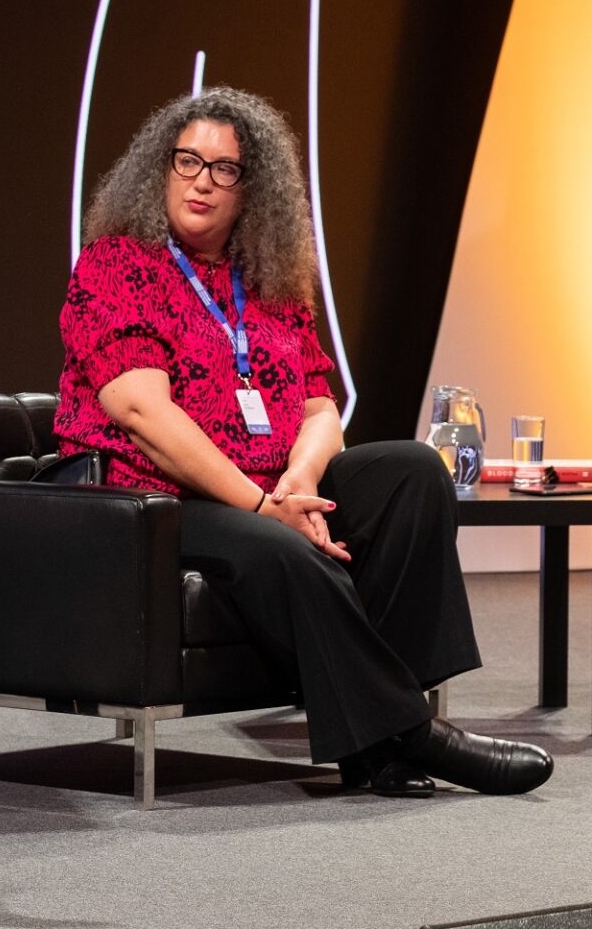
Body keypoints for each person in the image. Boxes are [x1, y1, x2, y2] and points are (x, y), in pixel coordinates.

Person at [55, 86, 552, 797]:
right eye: (187, 160)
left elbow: (321, 404)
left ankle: (377, 743)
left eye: (224, 169)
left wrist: (299, 477)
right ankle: (410, 734)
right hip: (153, 501)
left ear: (253, 190)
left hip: (268, 486)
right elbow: (141, 413)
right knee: (282, 546)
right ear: (157, 168)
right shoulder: (117, 265)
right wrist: (263, 507)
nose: (201, 179)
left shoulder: (269, 283)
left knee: (413, 472)